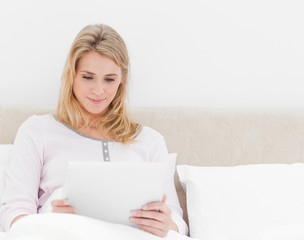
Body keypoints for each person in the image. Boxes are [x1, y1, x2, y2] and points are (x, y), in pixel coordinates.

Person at [0, 24, 188, 237]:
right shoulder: (37, 131)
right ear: (72, 75)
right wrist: (50, 217)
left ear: (121, 81)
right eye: (88, 77)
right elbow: (14, 214)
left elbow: (178, 225)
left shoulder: (150, 141)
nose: (99, 90)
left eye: (109, 79)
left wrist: (166, 224)